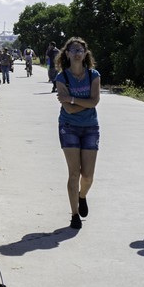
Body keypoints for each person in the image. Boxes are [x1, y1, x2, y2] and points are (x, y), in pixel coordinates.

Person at [53, 37, 101, 229]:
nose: (77, 52)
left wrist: (71, 98)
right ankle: (74, 215)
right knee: (74, 172)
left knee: (87, 175)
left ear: (85, 53)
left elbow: (95, 102)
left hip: (90, 127)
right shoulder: (62, 77)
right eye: (73, 50)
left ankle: (82, 196)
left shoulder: (93, 75)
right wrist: (83, 102)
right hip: (68, 126)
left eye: (80, 49)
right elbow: (70, 110)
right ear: (67, 54)